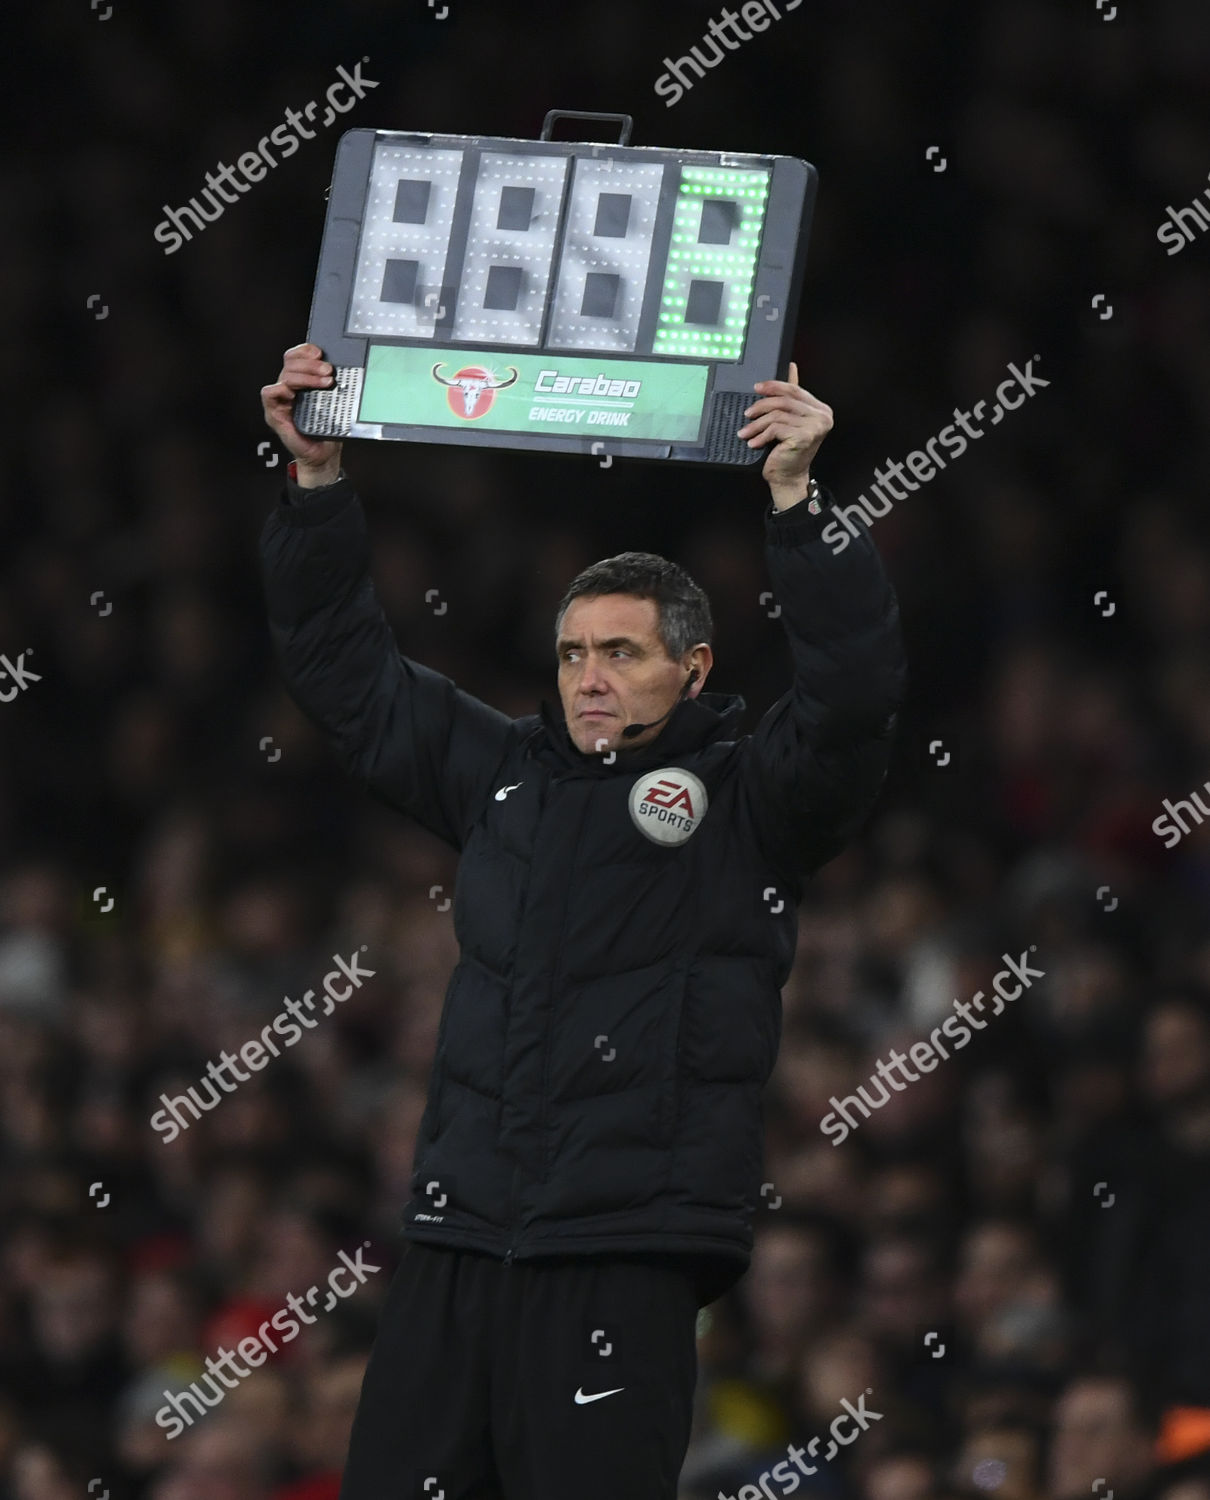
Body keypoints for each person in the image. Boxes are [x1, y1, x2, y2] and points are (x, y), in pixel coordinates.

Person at [258, 342, 907, 1500]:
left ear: (693, 667)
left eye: (620, 653)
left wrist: (800, 505)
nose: (588, 677)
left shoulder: (755, 800)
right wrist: (315, 489)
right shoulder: (501, 774)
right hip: (460, 1235)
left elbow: (854, 698)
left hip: (622, 1247)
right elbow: (349, 681)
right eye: (571, 654)